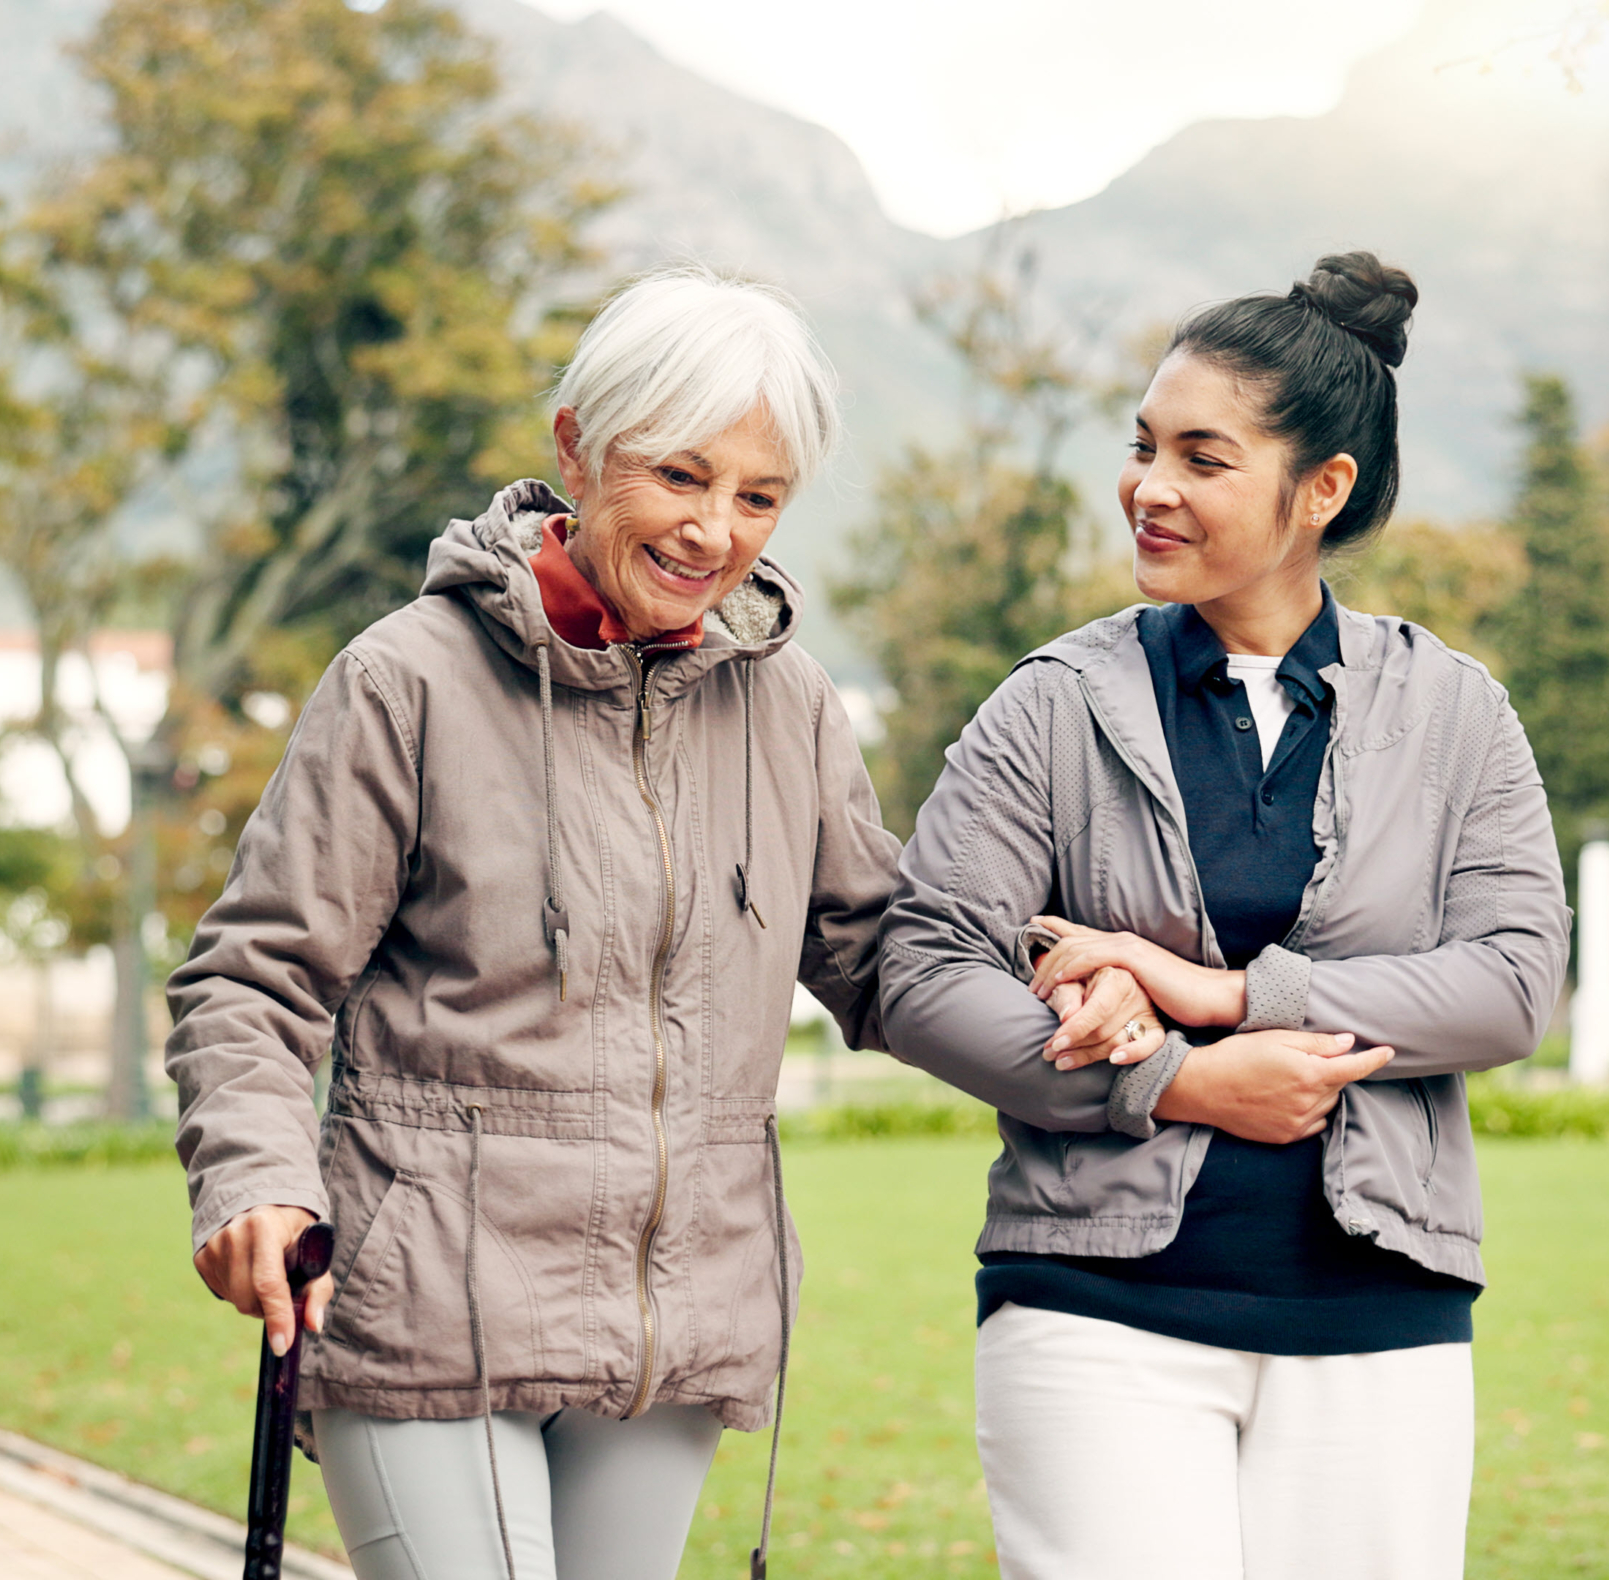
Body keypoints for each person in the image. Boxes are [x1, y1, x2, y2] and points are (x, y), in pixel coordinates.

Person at [164, 266, 1152, 1580]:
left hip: (681, 1317)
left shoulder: (788, 706)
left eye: (758, 497)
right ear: (579, 445)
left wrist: (1065, 978)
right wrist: (254, 1176)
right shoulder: (408, 680)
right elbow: (254, 975)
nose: (716, 532)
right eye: (681, 478)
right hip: (430, 1299)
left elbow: (883, 951)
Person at [878, 252, 1573, 1580]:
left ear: (1322, 490)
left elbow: (1512, 983)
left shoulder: (1454, 710)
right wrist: (1183, 1083)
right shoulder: (1053, 703)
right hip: (1097, 1311)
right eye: (1143, 449)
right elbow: (920, 967)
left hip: (1382, 1318)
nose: (1148, 487)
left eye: (1202, 458)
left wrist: (1236, 995)